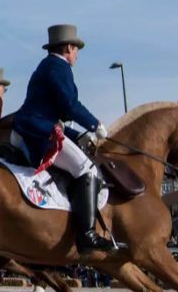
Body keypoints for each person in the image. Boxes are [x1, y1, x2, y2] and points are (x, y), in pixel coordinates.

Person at [12, 24, 113, 254]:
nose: (77, 55)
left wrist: (80, 135)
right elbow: (69, 105)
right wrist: (95, 125)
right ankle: (86, 235)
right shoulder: (59, 66)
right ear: (69, 47)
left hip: (35, 126)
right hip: (38, 132)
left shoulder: (46, 66)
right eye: (76, 49)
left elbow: (58, 114)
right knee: (86, 170)